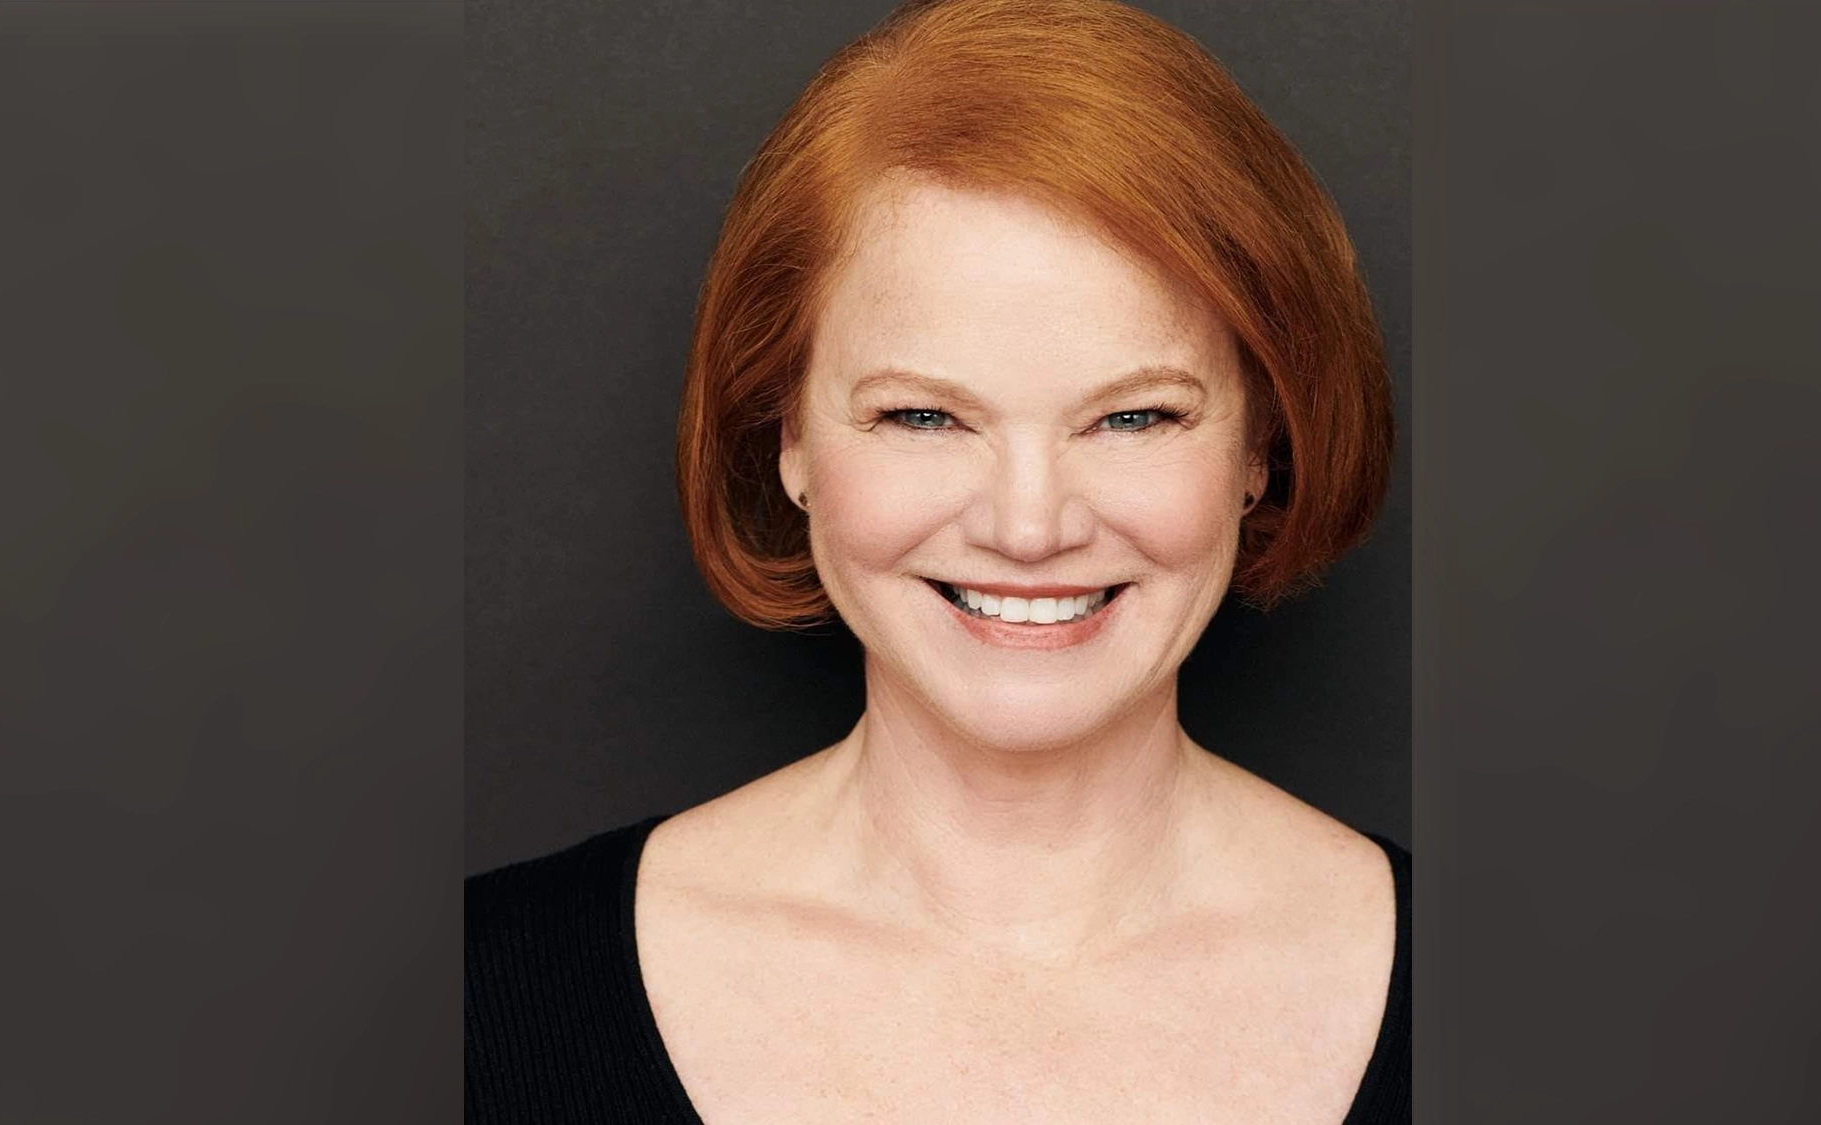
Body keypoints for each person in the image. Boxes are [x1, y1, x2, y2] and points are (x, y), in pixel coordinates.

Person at [466, 0, 1406, 1121]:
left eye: (1133, 419)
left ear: (1257, 447)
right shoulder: (472, 1000)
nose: (1027, 525)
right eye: (921, 417)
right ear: (791, 441)